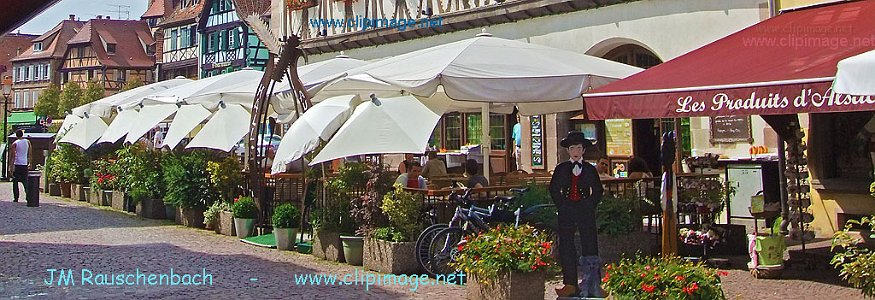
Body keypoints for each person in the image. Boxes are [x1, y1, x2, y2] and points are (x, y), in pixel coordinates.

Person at [549, 131, 604, 298]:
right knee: (566, 245)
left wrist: (589, 204)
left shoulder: (589, 169)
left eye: (579, 148)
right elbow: (553, 189)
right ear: (568, 151)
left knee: (590, 243)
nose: (575, 151)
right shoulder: (561, 168)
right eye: (572, 148)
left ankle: (594, 283)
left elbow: (598, 190)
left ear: (583, 150)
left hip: (584, 208)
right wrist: (562, 204)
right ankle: (570, 283)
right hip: (567, 209)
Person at [8, 130, 32, 203]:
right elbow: (30, 153)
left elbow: (13, 156)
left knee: (15, 182)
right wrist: (30, 163)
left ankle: (16, 198)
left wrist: (10, 167)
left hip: (17, 164)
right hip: (24, 164)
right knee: (25, 182)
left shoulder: (15, 143)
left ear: (16, 135)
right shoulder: (27, 142)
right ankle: (28, 197)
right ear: (22, 134)